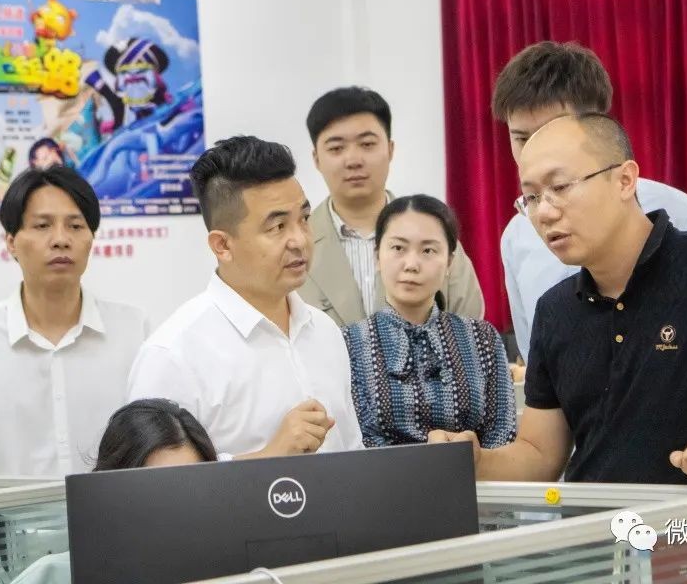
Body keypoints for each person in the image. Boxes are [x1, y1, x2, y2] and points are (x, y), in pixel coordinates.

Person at [430, 114, 687, 488]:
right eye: (531, 198)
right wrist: (477, 462)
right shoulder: (555, 310)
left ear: (624, 180)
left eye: (560, 187)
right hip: (592, 531)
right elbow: (540, 454)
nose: (544, 213)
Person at [127, 136, 363, 457]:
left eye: (304, 219)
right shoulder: (173, 354)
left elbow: (352, 451)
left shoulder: (325, 331)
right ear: (223, 245)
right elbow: (152, 482)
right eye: (277, 227)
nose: (299, 240)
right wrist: (270, 455)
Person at [493, 42, 687, 365]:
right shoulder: (517, 238)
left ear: (597, 124)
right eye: (521, 138)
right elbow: (537, 362)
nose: (536, 150)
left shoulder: (681, 214)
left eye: (551, 131)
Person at [0, 166, 149, 476]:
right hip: (7, 511)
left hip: (114, 509)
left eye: (75, 226)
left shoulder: (134, 331)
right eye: (42, 225)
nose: (61, 240)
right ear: (11, 242)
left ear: (91, 239)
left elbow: (156, 451)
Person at [298, 86, 484, 327]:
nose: (353, 160)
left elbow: (469, 326)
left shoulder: (434, 235)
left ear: (390, 149)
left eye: (367, 144)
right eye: (336, 148)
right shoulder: (296, 246)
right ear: (316, 159)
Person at [343, 195, 516, 448]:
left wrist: (467, 455)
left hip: (472, 471)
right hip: (380, 474)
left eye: (428, 250)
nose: (411, 265)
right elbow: (356, 439)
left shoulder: (482, 338)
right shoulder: (348, 343)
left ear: (449, 262)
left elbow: (502, 433)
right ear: (377, 256)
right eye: (398, 248)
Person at [9, 398, 217, 584]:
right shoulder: (51, 576)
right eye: (154, 495)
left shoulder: (224, 572)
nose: (171, 514)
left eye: (186, 491)